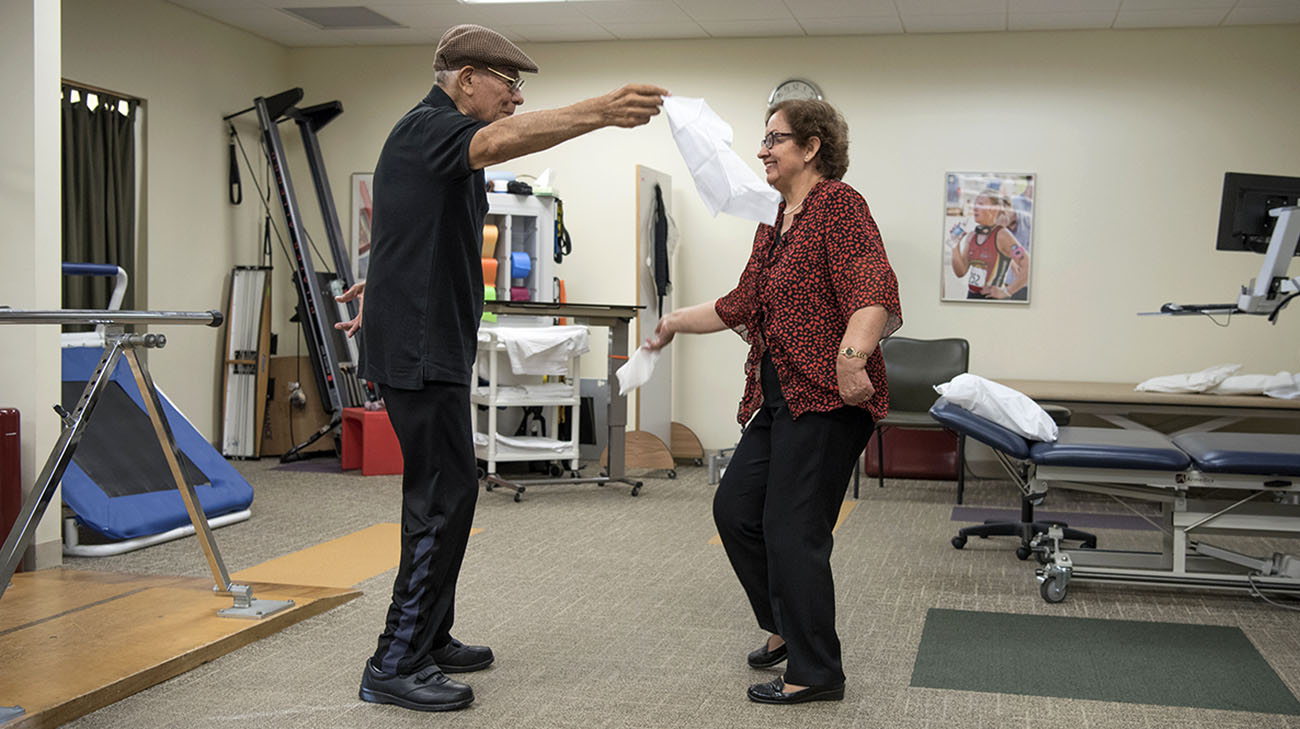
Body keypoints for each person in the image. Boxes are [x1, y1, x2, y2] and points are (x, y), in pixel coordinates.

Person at [331, 24, 667, 713]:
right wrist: (601, 111)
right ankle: (394, 660)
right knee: (441, 496)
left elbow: (408, 228)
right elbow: (499, 141)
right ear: (465, 79)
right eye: (509, 84)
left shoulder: (430, 142)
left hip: (427, 341)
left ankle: (430, 634)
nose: (516, 98)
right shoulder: (432, 127)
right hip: (423, 352)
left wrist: (385, 282)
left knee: (448, 492)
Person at [643, 99, 901, 705]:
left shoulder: (840, 204)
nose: (762, 150)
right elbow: (743, 302)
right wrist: (673, 321)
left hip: (831, 396)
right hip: (778, 392)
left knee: (793, 529)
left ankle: (817, 670)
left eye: (774, 139)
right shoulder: (774, 219)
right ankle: (786, 625)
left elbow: (873, 287)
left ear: (811, 147)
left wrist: (853, 356)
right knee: (735, 510)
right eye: (763, 140)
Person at [950, 188, 1029, 300]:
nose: (975, 208)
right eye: (975, 204)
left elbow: (1027, 265)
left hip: (994, 301)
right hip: (972, 298)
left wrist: (1007, 292)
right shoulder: (971, 236)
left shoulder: (1003, 236)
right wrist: (955, 244)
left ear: (994, 210)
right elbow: (960, 272)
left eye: (981, 205)